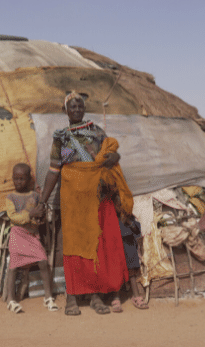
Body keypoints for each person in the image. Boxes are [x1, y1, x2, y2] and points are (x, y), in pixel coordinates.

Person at [39, 92, 134, 315]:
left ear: (84, 108)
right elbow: (54, 170)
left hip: (95, 196)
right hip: (72, 196)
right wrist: (43, 200)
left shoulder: (97, 132)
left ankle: (95, 296)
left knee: (95, 244)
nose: (76, 109)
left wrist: (113, 158)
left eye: (79, 106)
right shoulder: (60, 137)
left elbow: (112, 156)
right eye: (72, 107)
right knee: (72, 244)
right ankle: (71, 298)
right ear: (65, 111)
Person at [5, 163, 59, 314]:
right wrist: (30, 214)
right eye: (16, 178)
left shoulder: (35, 196)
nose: (18, 182)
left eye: (22, 179)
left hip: (32, 235)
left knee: (42, 261)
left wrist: (39, 213)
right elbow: (13, 217)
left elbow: (40, 215)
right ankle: (10, 299)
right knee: (14, 266)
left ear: (29, 179)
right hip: (18, 234)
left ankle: (48, 296)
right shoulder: (10, 197)